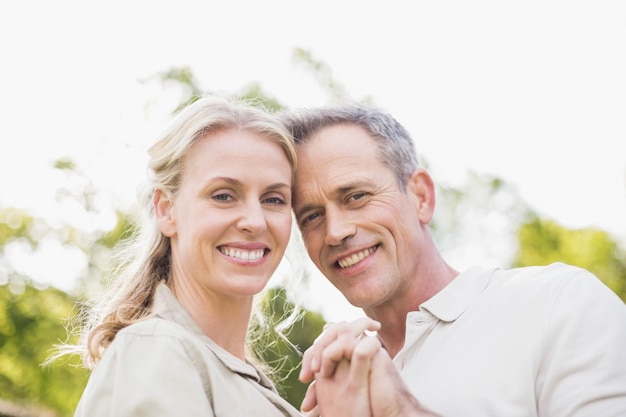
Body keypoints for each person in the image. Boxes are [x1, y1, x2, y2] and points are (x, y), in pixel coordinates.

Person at [280, 103, 626, 417]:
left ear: (421, 196)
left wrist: (400, 411)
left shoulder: (559, 304)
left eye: (356, 196)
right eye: (311, 216)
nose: (335, 232)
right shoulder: (336, 394)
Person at [58, 95, 305, 416]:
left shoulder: (220, 370)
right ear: (166, 209)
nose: (255, 222)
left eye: (273, 199)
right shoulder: (154, 351)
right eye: (224, 195)